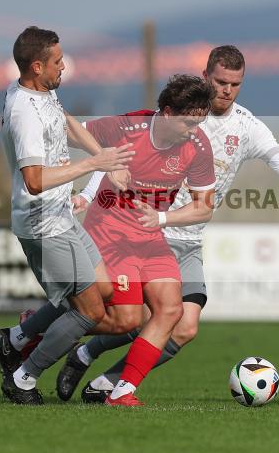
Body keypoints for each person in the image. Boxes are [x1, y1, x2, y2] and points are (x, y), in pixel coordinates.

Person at [57, 45, 279, 403]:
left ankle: (107, 380)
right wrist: (87, 194)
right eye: (220, 81)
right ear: (206, 76)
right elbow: (118, 156)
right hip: (146, 231)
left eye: (235, 84)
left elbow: (278, 157)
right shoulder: (181, 115)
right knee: (135, 316)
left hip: (189, 237)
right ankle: (53, 332)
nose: (226, 90)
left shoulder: (246, 126)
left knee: (184, 327)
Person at [0, 26, 135, 406]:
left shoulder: (43, 93)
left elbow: (65, 122)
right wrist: (92, 165)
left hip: (62, 217)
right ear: (36, 66)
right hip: (43, 224)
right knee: (90, 311)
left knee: (100, 291)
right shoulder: (24, 114)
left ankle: (16, 339)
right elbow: (34, 181)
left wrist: (105, 158)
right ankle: (23, 377)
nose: (64, 66)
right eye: (57, 61)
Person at [78, 75, 217, 406]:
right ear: (167, 113)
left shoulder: (197, 146)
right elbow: (74, 131)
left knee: (171, 311)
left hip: (151, 237)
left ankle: (122, 391)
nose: (194, 129)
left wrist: (163, 218)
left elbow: (204, 207)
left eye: (200, 122)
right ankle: (43, 331)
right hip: (111, 235)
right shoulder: (128, 127)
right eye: (188, 121)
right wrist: (103, 161)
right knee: (124, 320)